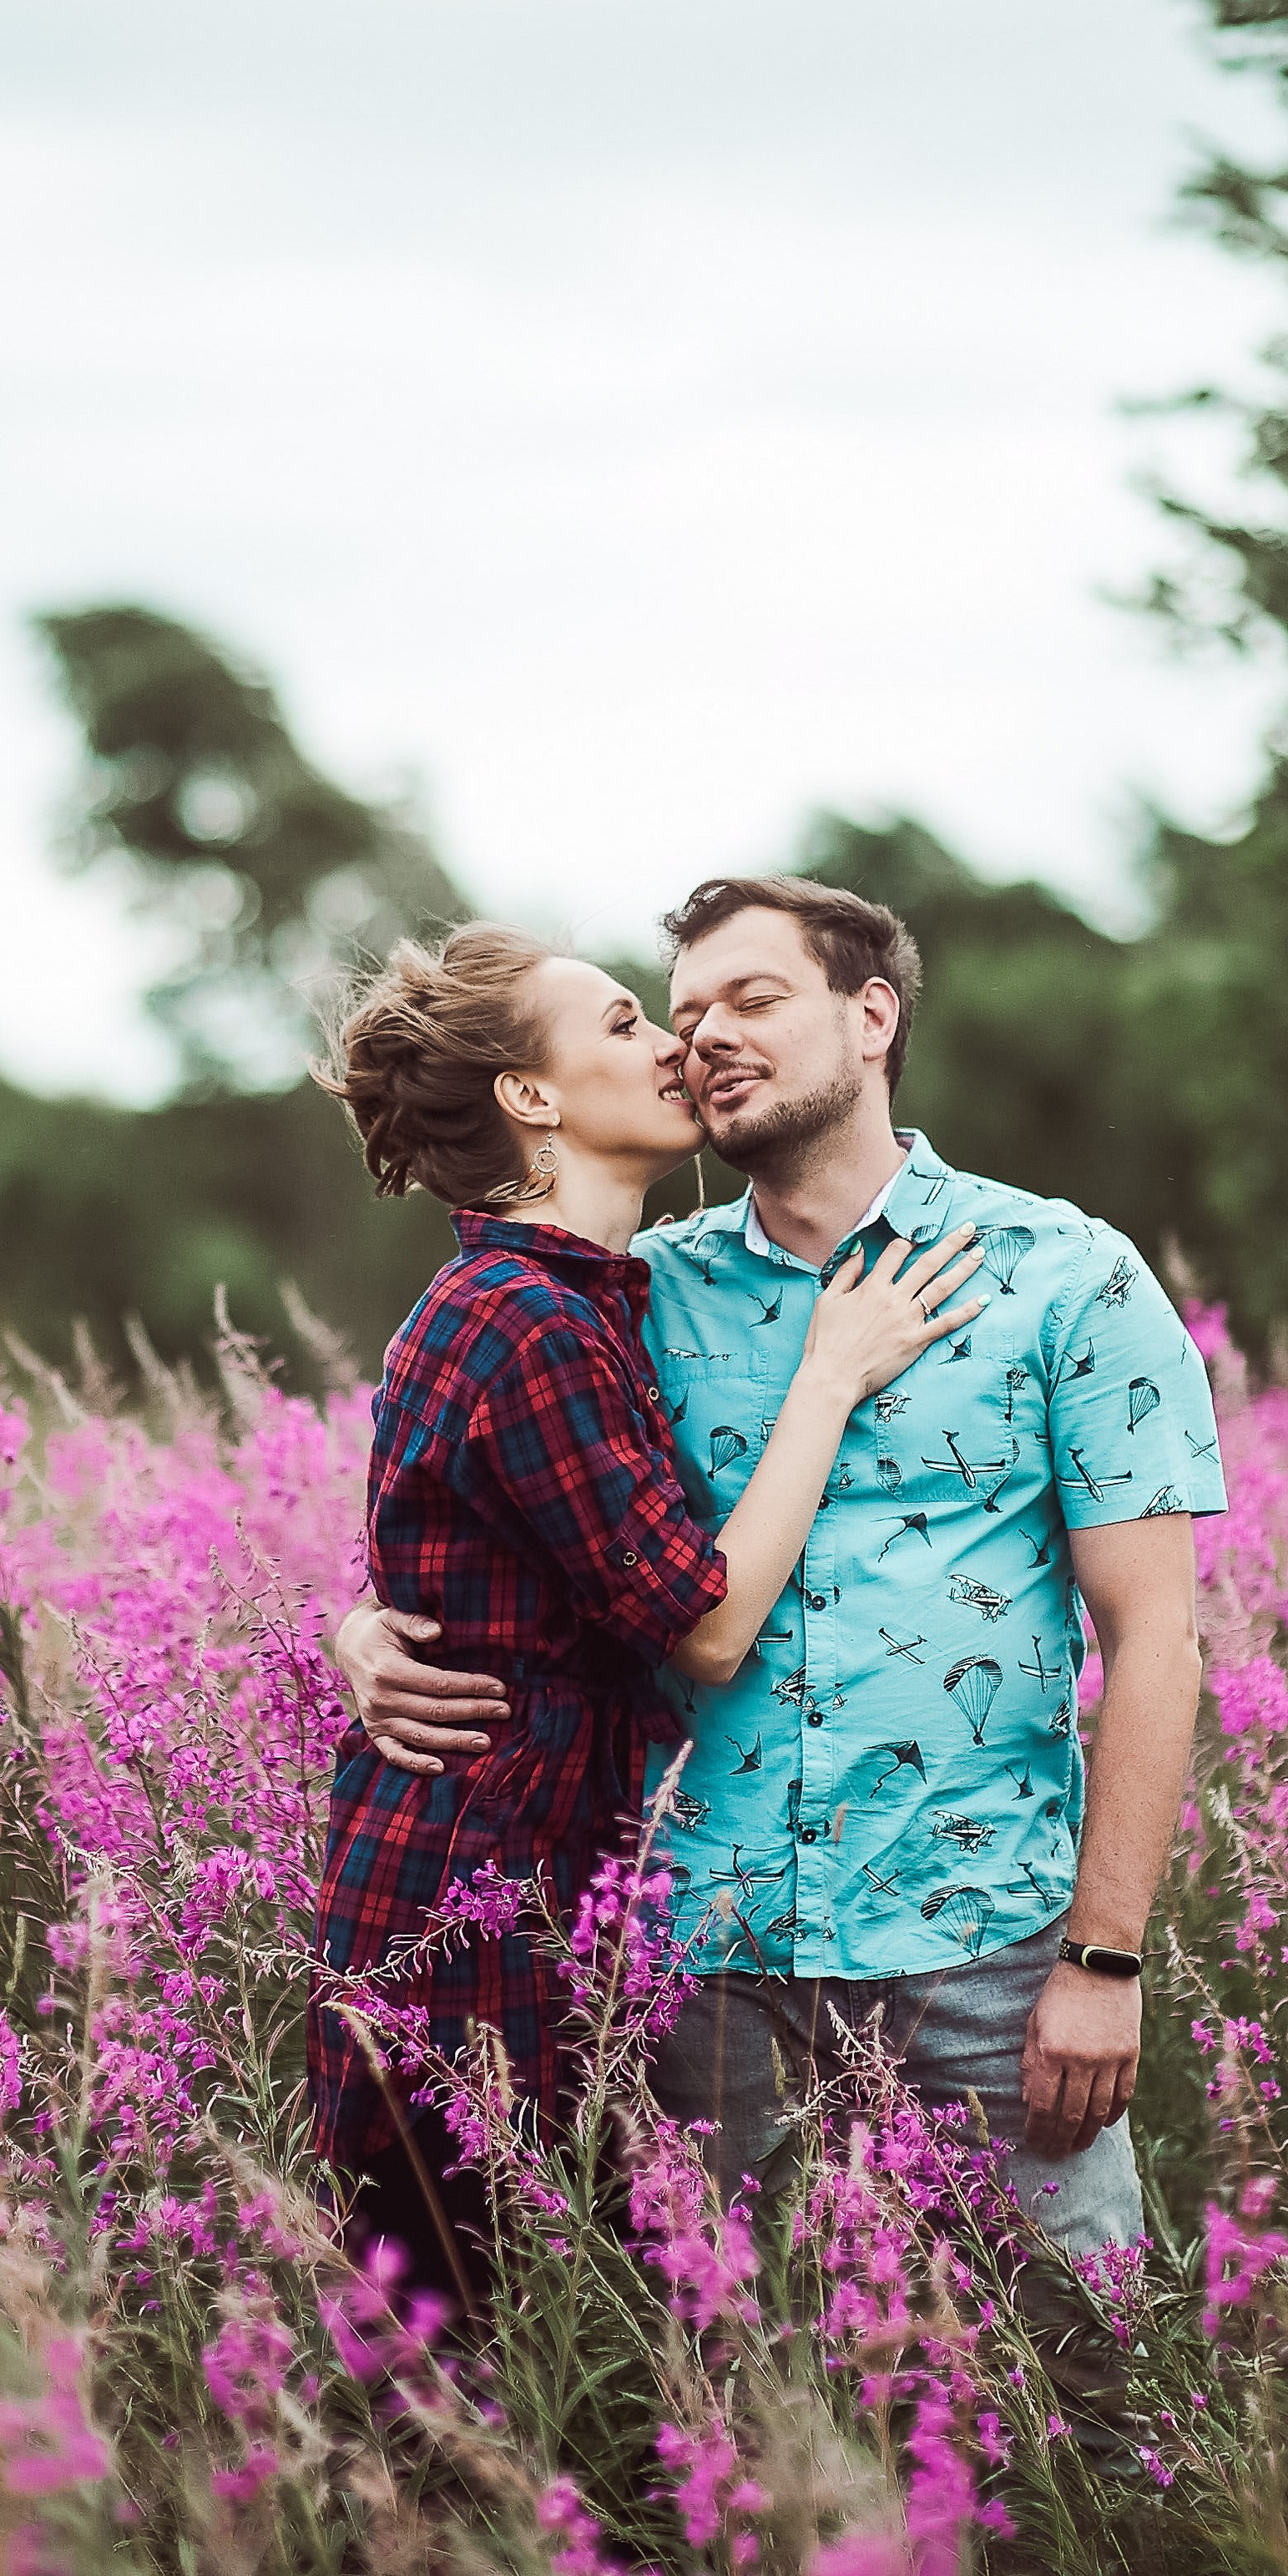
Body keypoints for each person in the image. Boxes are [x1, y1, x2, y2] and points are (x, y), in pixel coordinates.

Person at [336, 878, 1226, 2362]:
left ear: (870, 1016)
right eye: (680, 1015)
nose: (703, 1040)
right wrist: (365, 1623)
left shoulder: (1063, 1275)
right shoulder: (640, 1292)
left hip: (984, 1954)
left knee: (1093, 2390)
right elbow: (481, 1492)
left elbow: (1157, 1640)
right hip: (706, 1969)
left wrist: (1106, 1959)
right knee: (758, 2415)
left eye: (751, 1000)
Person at [310, 920, 982, 2289]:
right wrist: (832, 1371)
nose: (675, 1045)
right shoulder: (527, 1318)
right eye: (625, 1024)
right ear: (531, 1099)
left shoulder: (588, 1299)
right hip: (477, 1911)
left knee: (564, 2346)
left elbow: (442, 1555)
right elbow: (709, 1626)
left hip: (550, 1883)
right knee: (463, 2363)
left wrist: (359, 1626)